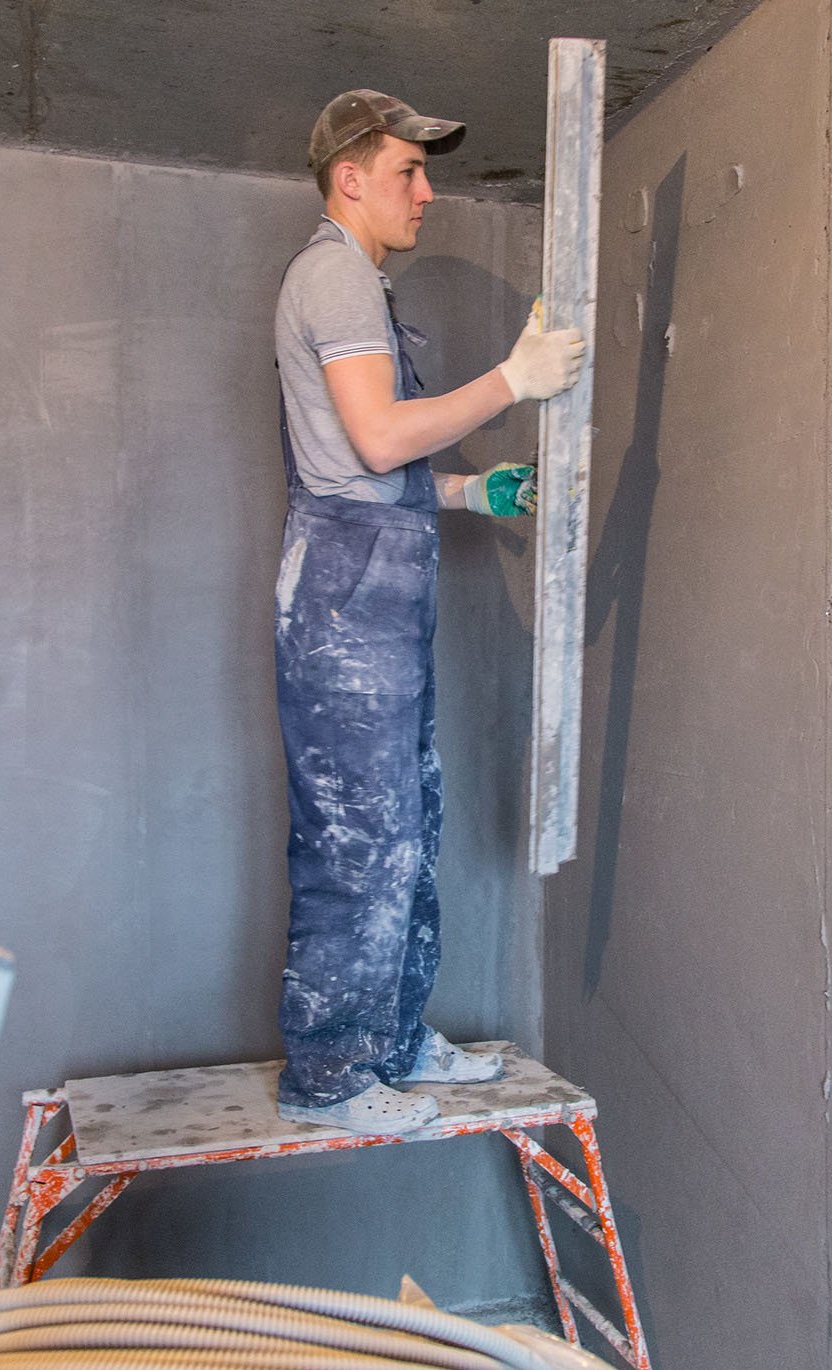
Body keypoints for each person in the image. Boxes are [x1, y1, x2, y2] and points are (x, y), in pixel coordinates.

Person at [271, 89, 585, 1135]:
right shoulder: (332, 276)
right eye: (408, 170)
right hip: (345, 599)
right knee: (357, 836)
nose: (427, 191)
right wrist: (511, 381)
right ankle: (329, 1078)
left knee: (406, 824)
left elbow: (370, 467)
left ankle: (395, 1042)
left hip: (373, 589)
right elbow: (376, 440)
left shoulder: (360, 285)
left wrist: (472, 491)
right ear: (349, 177)